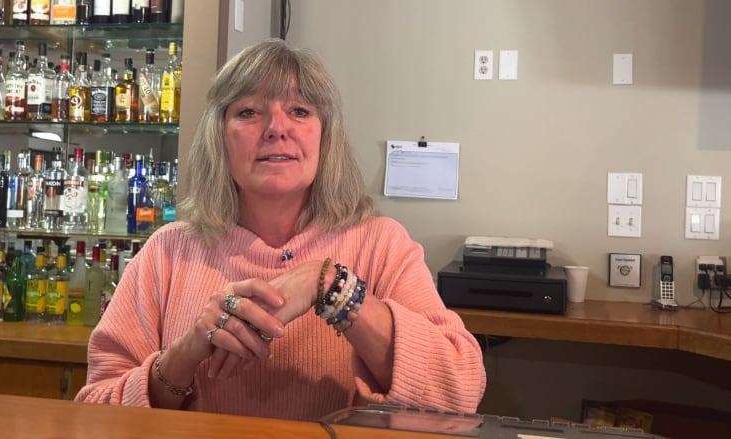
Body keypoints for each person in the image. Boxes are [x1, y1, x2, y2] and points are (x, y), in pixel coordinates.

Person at [75, 38, 486, 421]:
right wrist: (184, 354)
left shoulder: (382, 244)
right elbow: (94, 410)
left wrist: (330, 285)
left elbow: (461, 389)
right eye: (249, 112)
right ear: (219, 138)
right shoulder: (168, 251)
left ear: (326, 137)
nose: (276, 128)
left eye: (300, 111)